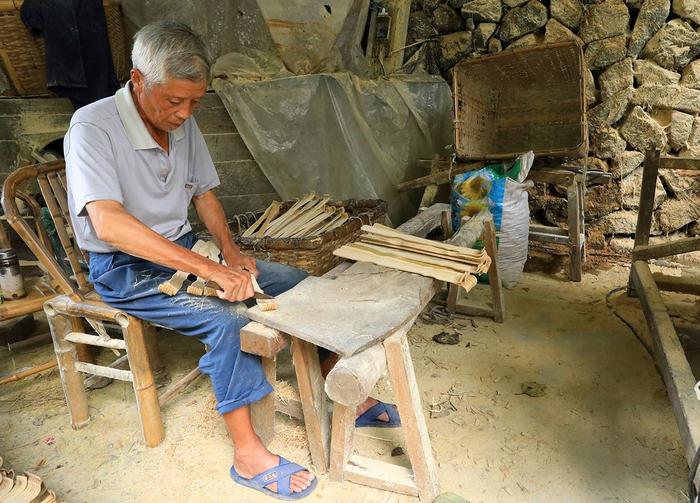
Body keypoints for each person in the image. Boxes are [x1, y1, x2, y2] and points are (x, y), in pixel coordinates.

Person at [65, 21, 397, 501]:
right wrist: (208, 269)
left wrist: (233, 253)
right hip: (123, 267)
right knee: (227, 319)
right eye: (173, 101)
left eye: (194, 102)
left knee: (297, 282)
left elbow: (205, 194)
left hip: (185, 247)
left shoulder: (183, 120)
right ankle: (247, 453)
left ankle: (335, 377)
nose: (184, 113)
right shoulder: (92, 126)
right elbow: (110, 224)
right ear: (138, 80)